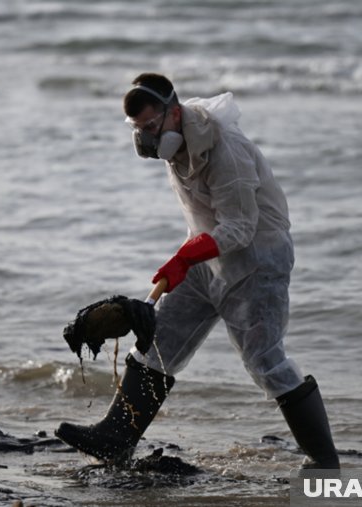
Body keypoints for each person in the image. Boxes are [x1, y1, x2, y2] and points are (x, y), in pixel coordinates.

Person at [55, 73, 340, 469]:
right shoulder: (175, 148)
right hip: (209, 258)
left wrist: (186, 258)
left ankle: (325, 460)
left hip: (258, 261)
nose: (147, 139)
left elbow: (240, 226)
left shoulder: (227, 150)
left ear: (175, 113)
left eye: (152, 127)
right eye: (138, 130)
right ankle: (115, 438)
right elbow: (204, 220)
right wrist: (183, 259)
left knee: (266, 362)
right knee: (159, 341)